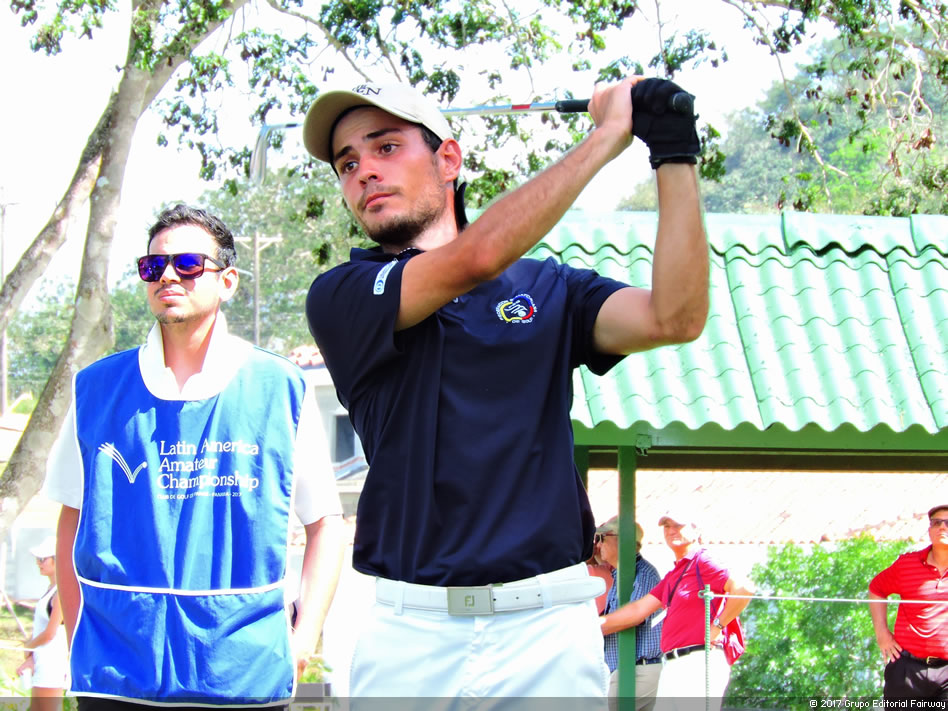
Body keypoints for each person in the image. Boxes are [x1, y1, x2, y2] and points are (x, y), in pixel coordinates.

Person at [302, 77, 708, 702]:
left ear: (448, 160)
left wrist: (673, 151)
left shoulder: (548, 288)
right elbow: (477, 257)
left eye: (385, 147)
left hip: (547, 624)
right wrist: (607, 136)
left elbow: (675, 317)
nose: (364, 173)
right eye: (347, 163)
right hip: (410, 629)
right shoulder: (342, 294)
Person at [43, 204, 346, 709]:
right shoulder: (96, 389)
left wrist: (302, 641)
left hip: (243, 675)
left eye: (186, 264)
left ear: (228, 281)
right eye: (152, 266)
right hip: (117, 677)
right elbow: (70, 522)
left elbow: (326, 524)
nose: (166, 276)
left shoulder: (280, 388)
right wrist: (78, 639)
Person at [606, 510, 754, 711]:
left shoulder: (704, 561)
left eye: (678, 525)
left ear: (696, 530)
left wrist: (718, 625)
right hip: (673, 663)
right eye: (667, 526)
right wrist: (593, 625)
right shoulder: (675, 573)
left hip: (698, 660)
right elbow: (638, 609)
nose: (671, 530)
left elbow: (744, 588)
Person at [869, 504, 948, 701]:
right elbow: (876, 589)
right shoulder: (907, 564)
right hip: (906, 670)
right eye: (936, 522)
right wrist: (881, 633)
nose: (942, 527)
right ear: (929, 530)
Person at [596, 518, 663, 711]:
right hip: (625, 671)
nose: (598, 545)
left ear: (621, 539)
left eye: (601, 538)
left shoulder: (643, 574)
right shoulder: (619, 574)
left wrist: (588, 628)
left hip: (637, 671)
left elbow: (632, 617)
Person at [17, 536, 68, 711]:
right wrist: (31, 658)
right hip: (41, 663)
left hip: (52, 665)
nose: (38, 563)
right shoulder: (50, 590)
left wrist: (28, 647)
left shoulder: (60, 593)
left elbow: (50, 633)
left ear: (56, 560)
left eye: (42, 559)